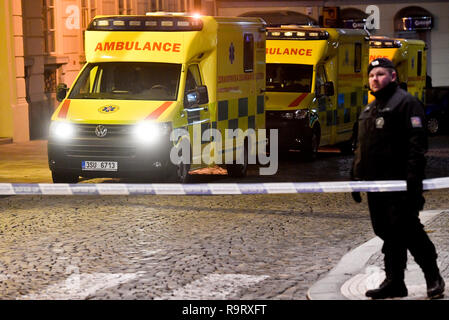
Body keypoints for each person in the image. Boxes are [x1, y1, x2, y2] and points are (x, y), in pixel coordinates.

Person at [351, 58, 445, 299]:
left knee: (409, 231)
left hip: (400, 185)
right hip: (375, 186)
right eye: (372, 75)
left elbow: (416, 146)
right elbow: (362, 146)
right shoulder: (370, 108)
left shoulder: (406, 103)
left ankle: (433, 276)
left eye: (381, 74)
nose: (375, 79)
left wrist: (414, 182)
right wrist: (355, 177)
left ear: (393, 77)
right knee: (387, 232)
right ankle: (395, 281)